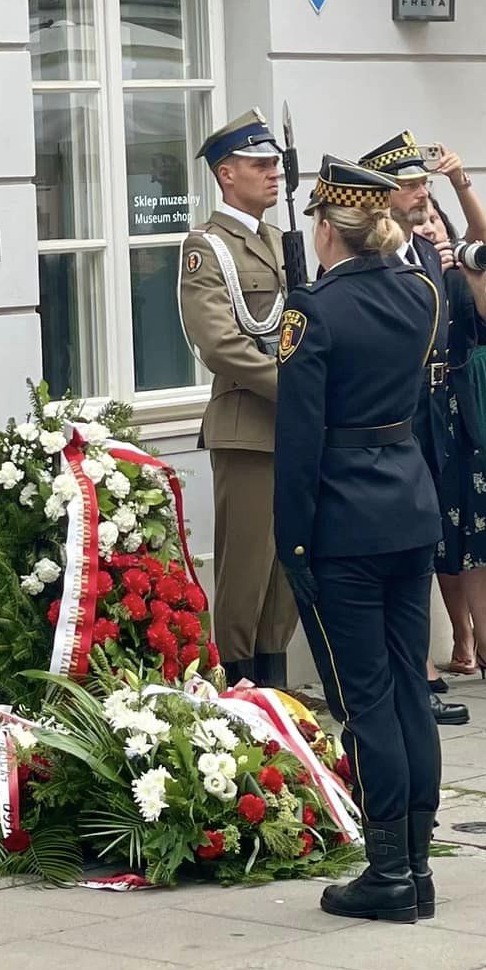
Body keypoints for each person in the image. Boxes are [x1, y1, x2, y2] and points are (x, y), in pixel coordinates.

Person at [273, 156, 445, 925]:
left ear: (325, 229)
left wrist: (292, 542)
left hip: (341, 521)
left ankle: (386, 873)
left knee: (365, 697)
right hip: (408, 508)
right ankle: (417, 864)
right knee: (411, 687)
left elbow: (299, 439)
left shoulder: (313, 312)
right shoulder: (419, 293)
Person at [361, 130, 483, 723]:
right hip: (393, 415)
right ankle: (414, 669)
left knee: (433, 536)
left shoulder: (430, 253)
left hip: (436, 410)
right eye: (410, 185)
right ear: (382, 196)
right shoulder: (374, 260)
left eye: (423, 184)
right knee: (400, 542)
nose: (420, 195)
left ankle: (421, 665)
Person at [178, 111, 297, 692]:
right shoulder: (207, 247)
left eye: (275, 163)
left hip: (296, 428)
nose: (275, 173)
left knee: (287, 568)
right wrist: (295, 387)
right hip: (248, 426)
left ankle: (274, 685)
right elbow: (221, 343)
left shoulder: (278, 240)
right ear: (227, 175)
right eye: (261, 165)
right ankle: (237, 688)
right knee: (247, 565)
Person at [413, 191, 486, 691]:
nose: (432, 227)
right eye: (421, 221)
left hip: (462, 408)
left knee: (481, 528)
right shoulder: (399, 275)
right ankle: (422, 654)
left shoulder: (459, 274)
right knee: (421, 532)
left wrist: (477, 286)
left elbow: (484, 331)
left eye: (435, 218)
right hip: (417, 412)